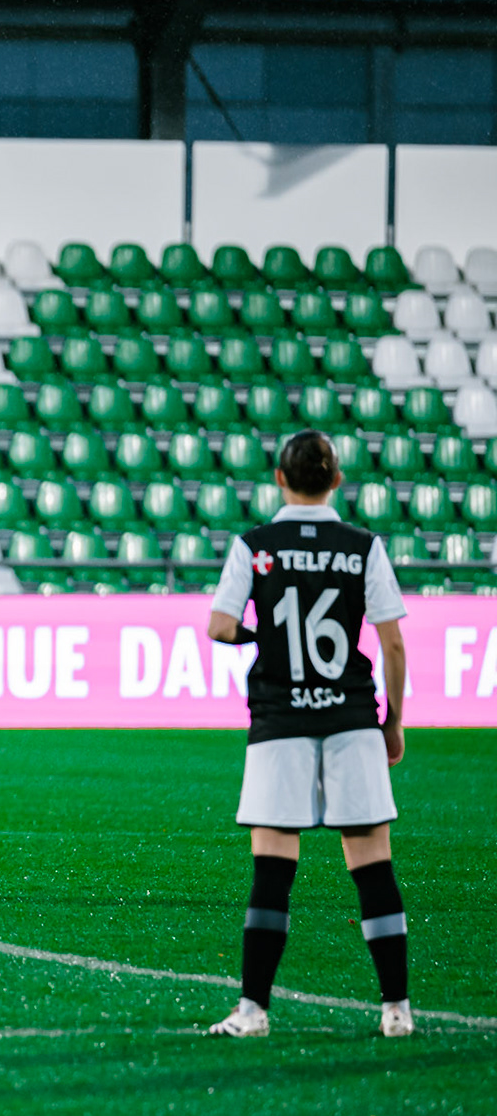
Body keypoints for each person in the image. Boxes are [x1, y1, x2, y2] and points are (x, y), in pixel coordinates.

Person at [203, 430, 413, 1039]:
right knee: (372, 865)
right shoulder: (362, 546)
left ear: (279, 478)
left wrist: (260, 639)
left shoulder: (256, 546)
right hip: (350, 718)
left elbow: (220, 626)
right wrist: (392, 719)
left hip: (280, 721)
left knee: (273, 868)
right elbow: (393, 642)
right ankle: (396, 1011)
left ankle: (253, 1011)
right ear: (337, 481)